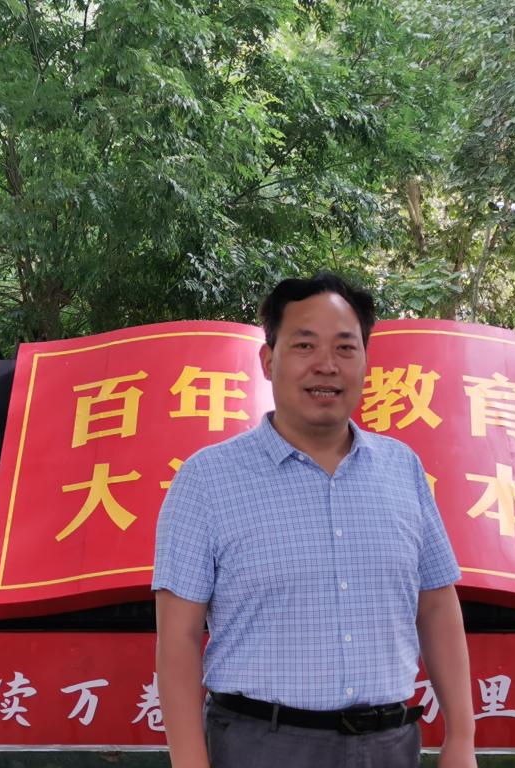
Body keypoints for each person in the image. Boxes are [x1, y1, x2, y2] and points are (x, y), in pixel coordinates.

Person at [153, 273, 476, 768]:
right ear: (269, 360)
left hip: (388, 746)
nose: (326, 365)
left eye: (345, 348)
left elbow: (436, 604)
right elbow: (178, 638)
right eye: (304, 345)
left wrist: (461, 737)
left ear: (365, 361)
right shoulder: (207, 479)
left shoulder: (402, 468)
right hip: (261, 747)